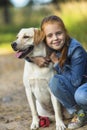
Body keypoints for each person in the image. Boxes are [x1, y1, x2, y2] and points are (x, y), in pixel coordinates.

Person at [30, 15, 87, 129]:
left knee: (81, 96)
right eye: (50, 35)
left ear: (65, 33)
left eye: (59, 33)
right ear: (44, 39)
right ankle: (80, 113)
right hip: (76, 86)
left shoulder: (75, 49)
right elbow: (27, 50)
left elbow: (75, 81)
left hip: (83, 84)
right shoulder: (50, 46)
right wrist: (34, 59)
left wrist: (56, 63)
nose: (55, 38)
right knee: (54, 82)